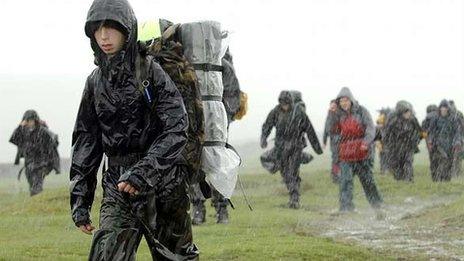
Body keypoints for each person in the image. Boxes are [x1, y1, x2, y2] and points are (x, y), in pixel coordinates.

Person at [69, 0, 198, 259]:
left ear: (127, 30)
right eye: (97, 29)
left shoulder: (151, 71)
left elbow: (176, 126)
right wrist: (80, 199)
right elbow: (87, 140)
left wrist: (145, 171)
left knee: (176, 257)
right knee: (107, 256)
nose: (103, 36)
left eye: (111, 28)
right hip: (117, 183)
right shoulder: (95, 82)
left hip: (163, 183)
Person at [261, 91, 323, 209]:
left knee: (293, 172)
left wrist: (317, 148)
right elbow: (267, 125)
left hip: (296, 146)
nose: (285, 106)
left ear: (291, 102)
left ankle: (294, 199)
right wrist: (263, 138)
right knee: (285, 173)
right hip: (280, 147)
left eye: (287, 104)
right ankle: (292, 193)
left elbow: (310, 130)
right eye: (282, 104)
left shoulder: (299, 112)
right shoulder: (275, 112)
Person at [330, 87, 382, 212]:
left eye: (346, 100)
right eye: (341, 101)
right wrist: (331, 114)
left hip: (363, 153)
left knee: (367, 181)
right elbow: (334, 132)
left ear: (351, 100)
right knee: (345, 182)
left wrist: (366, 142)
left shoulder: (362, 111)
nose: (344, 103)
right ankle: (346, 208)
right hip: (346, 153)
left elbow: (370, 128)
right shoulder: (337, 115)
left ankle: (377, 205)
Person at [9, 110, 60, 196]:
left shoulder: (42, 130)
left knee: (37, 180)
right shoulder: (23, 131)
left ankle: (37, 197)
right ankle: (35, 198)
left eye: (30, 120)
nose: (28, 122)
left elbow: (54, 140)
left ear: (34, 120)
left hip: (43, 163)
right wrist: (19, 126)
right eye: (26, 120)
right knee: (30, 180)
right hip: (29, 163)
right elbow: (14, 139)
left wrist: (46, 151)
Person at [382, 101, 422, 182]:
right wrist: (389, 144)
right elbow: (387, 133)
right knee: (397, 163)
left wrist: (415, 140)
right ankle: (399, 179)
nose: (408, 114)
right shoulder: (394, 121)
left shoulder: (413, 120)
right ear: (401, 113)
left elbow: (419, 132)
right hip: (396, 147)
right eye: (406, 112)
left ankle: (409, 179)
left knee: (408, 161)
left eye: (409, 112)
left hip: (409, 145)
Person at [427, 100, 463, 182]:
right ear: (439, 109)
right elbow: (431, 131)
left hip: (450, 145)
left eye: (445, 108)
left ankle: (446, 180)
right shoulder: (435, 119)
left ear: (448, 109)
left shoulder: (453, 119)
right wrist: (431, 141)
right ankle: (437, 179)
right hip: (437, 145)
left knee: (448, 164)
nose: (443, 110)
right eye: (442, 108)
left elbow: (457, 132)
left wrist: (457, 142)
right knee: (438, 163)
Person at [323, 100, 341, 183]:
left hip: (341, 139)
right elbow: (326, 130)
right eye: (331, 105)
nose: (332, 107)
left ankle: (338, 175)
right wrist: (324, 141)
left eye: (334, 106)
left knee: (341, 158)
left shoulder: (340, 114)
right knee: (335, 158)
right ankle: (335, 176)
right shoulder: (329, 115)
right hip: (333, 140)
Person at [375, 108, 392, 175]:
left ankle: (384, 170)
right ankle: (385, 170)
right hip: (384, 143)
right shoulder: (381, 125)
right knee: (385, 156)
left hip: (384, 143)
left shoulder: (381, 124)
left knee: (384, 157)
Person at [449, 100, 464, 177]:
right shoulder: (458, 114)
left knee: (455, 157)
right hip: (456, 139)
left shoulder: (457, 114)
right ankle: (455, 172)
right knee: (456, 157)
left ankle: (454, 172)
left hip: (457, 139)